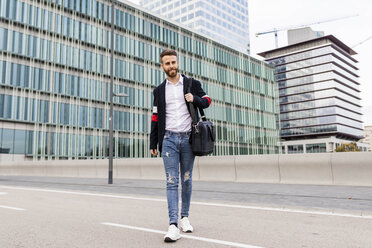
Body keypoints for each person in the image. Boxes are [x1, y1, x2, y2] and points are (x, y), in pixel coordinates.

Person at [150, 49, 211, 242]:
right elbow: (155, 117)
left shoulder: (192, 84)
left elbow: (208, 101)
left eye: (173, 62)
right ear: (162, 66)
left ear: (178, 62)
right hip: (167, 139)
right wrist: (153, 142)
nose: (171, 66)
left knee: (186, 179)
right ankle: (173, 225)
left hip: (187, 139)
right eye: (167, 64)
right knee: (171, 181)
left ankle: (185, 217)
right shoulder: (159, 90)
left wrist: (196, 99)